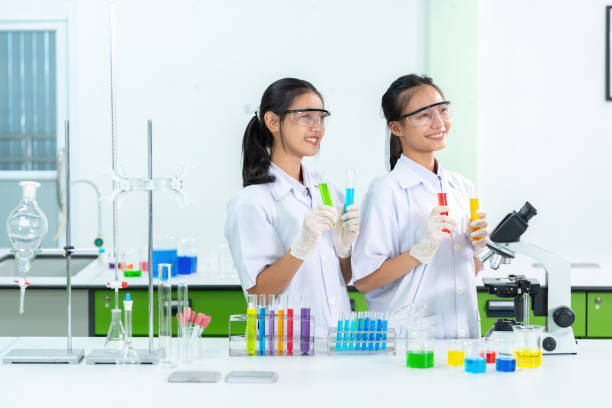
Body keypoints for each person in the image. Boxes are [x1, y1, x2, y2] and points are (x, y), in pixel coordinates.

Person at [351, 74, 489, 339]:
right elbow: (365, 280)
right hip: (410, 341)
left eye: (443, 110)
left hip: (464, 337)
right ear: (397, 128)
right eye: (424, 115)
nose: (439, 122)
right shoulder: (386, 191)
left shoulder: (462, 187)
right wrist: (420, 251)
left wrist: (479, 251)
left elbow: (463, 273)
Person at [225, 78, 360, 336]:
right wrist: (300, 248)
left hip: (339, 340)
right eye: (306, 116)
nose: (317, 128)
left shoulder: (328, 190)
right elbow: (259, 294)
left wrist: (344, 252)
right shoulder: (253, 201)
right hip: (289, 346)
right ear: (273, 121)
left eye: (321, 118)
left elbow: (341, 279)